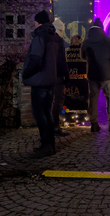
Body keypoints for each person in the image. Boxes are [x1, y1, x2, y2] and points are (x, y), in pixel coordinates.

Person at [22, 10, 64, 158]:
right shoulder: (54, 37)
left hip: (40, 80)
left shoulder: (40, 37)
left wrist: (26, 73)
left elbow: (35, 59)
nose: (33, 24)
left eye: (35, 21)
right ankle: (50, 143)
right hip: (51, 80)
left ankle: (46, 144)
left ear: (38, 22)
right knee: (47, 112)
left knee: (39, 113)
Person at [81, 18, 110, 132]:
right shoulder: (108, 41)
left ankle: (94, 123)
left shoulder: (86, 41)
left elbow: (83, 56)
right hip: (107, 74)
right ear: (102, 28)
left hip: (92, 74)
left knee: (93, 98)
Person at [51, 17, 70, 137]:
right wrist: (66, 75)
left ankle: (50, 125)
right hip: (57, 76)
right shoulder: (59, 41)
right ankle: (55, 126)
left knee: (49, 102)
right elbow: (62, 60)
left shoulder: (47, 39)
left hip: (47, 76)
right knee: (58, 101)